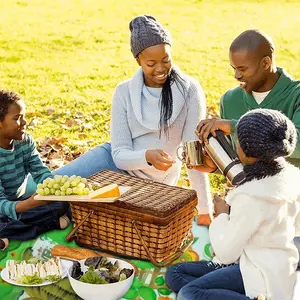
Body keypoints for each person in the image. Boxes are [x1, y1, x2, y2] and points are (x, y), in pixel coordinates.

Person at [45, 15, 213, 225]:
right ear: (138, 61)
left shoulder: (189, 90)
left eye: (166, 59)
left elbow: (192, 155)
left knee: (89, 214)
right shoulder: (124, 92)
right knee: (47, 188)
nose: (160, 69)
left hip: (150, 185)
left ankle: (64, 215)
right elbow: (119, 155)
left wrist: (205, 210)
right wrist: (147, 156)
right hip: (114, 163)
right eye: (151, 63)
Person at [166, 109, 300, 300]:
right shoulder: (291, 177)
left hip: (259, 274)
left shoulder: (251, 197)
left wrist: (222, 215)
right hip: (271, 264)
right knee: (175, 274)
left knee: (189, 293)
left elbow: (225, 252)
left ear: (244, 151)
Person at [196, 29, 300, 265]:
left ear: (266, 63)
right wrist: (216, 165)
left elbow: (298, 143)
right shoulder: (230, 100)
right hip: (248, 203)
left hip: (288, 208)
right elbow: (242, 159)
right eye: (233, 68)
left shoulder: (296, 94)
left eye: (242, 69)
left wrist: (234, 126)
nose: (236, 75)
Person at [0, 90, 70, 250]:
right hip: (6, 207)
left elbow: (40, 172)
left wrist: (54, 189)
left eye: (23, 116)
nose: (24, 122)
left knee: (65, 203)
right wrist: (29, 204)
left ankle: (10, 232)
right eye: (17, 118)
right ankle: (48, 223)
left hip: (20, 201)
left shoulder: (25, 141)